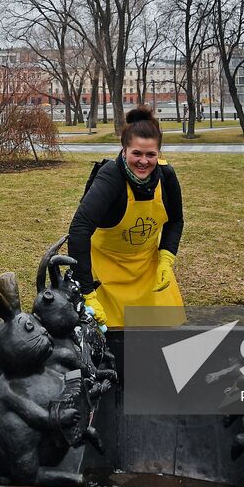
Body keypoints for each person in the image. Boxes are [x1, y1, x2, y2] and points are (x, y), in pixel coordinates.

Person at [67, 107, 184, 329]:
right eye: (136, 154)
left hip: (148, 268)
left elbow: (175, 220)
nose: (144, 161)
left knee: (163, 338)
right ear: (124, 150)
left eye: (151, 154)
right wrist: (87, 292)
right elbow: (79, 230)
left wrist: (166, 261)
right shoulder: (110, 177)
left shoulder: (166, 176)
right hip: (106, 272)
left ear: (159, 153)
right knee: (110, 345)